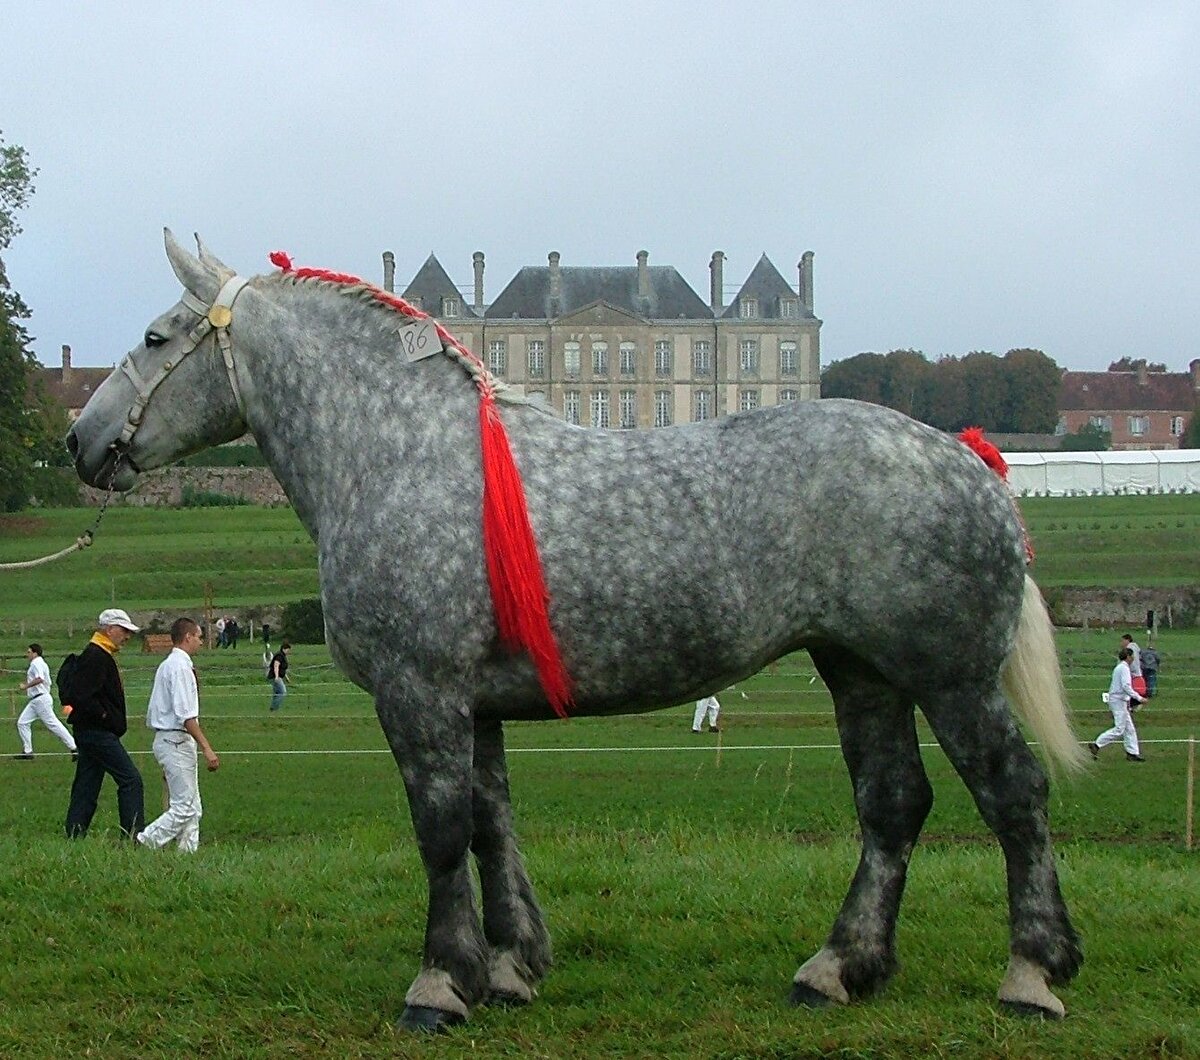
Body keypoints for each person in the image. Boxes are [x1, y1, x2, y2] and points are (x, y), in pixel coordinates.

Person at [137, 617, 220, 853]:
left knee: (193, 806)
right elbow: (186, 715)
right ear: (188, 637)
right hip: (175, 740)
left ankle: (187, 854)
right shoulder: (180, 667)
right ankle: (146, 841)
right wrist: (207, 748)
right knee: (184, 806)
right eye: (199, 637)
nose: (201, 642)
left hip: (171, 739)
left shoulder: (168, 665)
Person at [64, 609, 146, 839]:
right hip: (97, 733)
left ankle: (74, 833)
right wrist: (104, 717)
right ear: (110, 629)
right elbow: (82, 696)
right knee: (130, 780)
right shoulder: (96, 656)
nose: (127, 636)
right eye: (124, 631)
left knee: (86, 785)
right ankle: (133, 835)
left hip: (89, 731)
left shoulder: (98, 653)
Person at [14, 643, 77, 761]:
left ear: (35, 653)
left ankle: (74, 747)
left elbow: (40, 679)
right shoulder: (40, 663)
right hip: (35, 700)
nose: (27, 654)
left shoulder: (36, 663)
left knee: (53, 724)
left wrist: (26, 686)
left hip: (40, 699)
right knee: (22, 722)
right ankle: (28, 752)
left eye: (29, 652)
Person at [1089, 647, 1145, 762]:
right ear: (1128, 657)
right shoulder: (1124, 669)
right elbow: (1126, 686)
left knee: (1130, 729)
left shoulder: (1121, 667)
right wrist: (1139, 698)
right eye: (1132, 656)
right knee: (1119, 729)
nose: (1134, 658)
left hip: (1120, 700)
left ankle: (1132, 753)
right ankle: (1097, 744)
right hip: (1118, 701)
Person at [1121, 634, 1147, 699]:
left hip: (1134, 674)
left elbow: (1133, 662)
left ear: (1127, 640)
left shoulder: (1130, 649)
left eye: (1122, 641)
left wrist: (1129, 670)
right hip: (1137, 673)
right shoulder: (1135, 648)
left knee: (1134, 692)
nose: (1121, 643)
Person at [269, 641, 292, 711]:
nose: (289, 651)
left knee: (277, 693)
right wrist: (276, 677)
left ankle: (273, 709)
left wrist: (287, 678)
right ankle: (274, 708)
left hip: (278, 676)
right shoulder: (279, 656)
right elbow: (276, 666)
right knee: (282, 692)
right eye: (288, 650)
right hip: (275, 677)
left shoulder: (283, 656)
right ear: (284, 649)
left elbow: (282, 669)